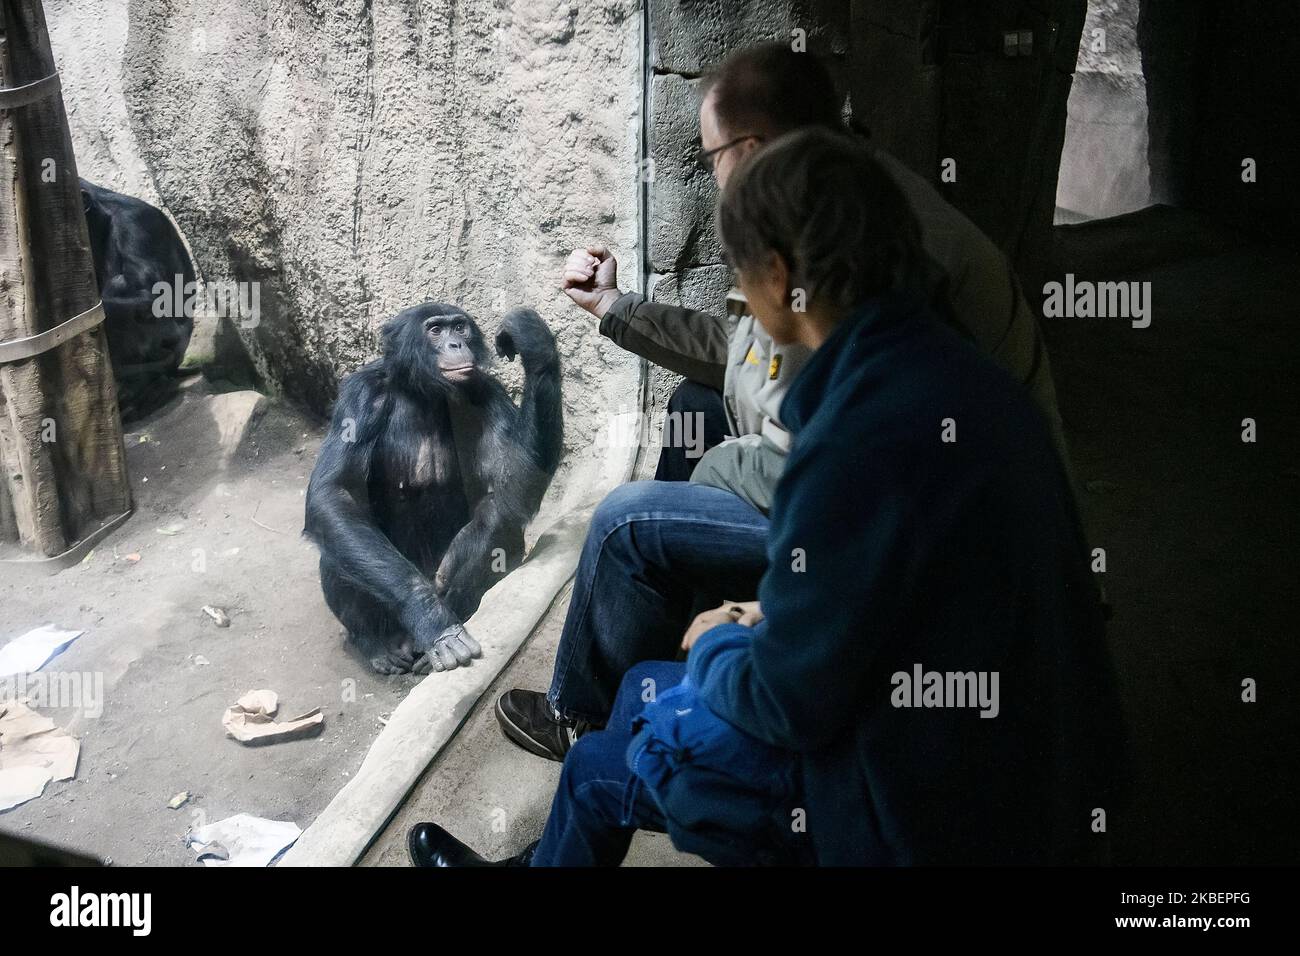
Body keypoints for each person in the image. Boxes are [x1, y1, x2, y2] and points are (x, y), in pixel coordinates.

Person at [409, 128, 1122, 866]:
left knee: (603, 760)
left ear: (784, 281)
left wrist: (720, 638)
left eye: (741, 277)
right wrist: (760, 613)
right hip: (1035, 762)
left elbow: (796, 698)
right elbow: (883, 600)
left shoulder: (850, 433)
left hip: (920, 805)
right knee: (646, 690)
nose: (740, 303)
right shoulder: (954, 377)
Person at [495, 42, 1075, 761]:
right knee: (692, 410)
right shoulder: (839, 198)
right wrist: (618, 308)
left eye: (710, 157)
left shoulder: (864, 247)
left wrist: (718, 476)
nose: (712, 178)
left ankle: (587, 720)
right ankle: (677, 649)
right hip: (900, 484)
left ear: (754, 147)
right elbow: (752, 356)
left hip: (933, 536)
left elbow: (844, 466)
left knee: (623, 522)